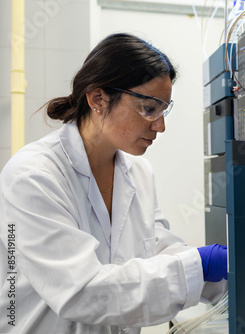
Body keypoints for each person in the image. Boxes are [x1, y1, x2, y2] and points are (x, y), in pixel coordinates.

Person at [0, 33, 228, 334]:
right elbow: (82, 291)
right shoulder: (33, 176)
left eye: (164, 110)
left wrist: (231, 269)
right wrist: (199, 265)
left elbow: (156, 249)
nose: (160, 125)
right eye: (149, 108)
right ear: (98, 99)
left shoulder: (139, 172)